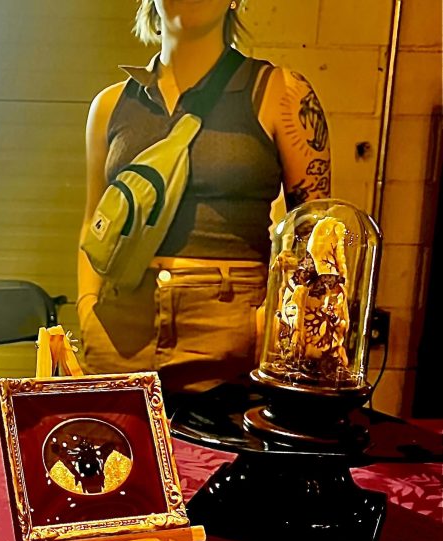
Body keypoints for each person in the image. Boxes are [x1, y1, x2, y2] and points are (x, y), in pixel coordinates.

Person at [77, 0, 331, 396]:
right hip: (119, 328)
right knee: (119, 457)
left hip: (232, 331)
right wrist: (88, 306)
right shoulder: (109, 105)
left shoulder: (282, 93)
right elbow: (93, 217)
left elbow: (314, 232)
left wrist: (271, 323)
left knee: (219, 457)